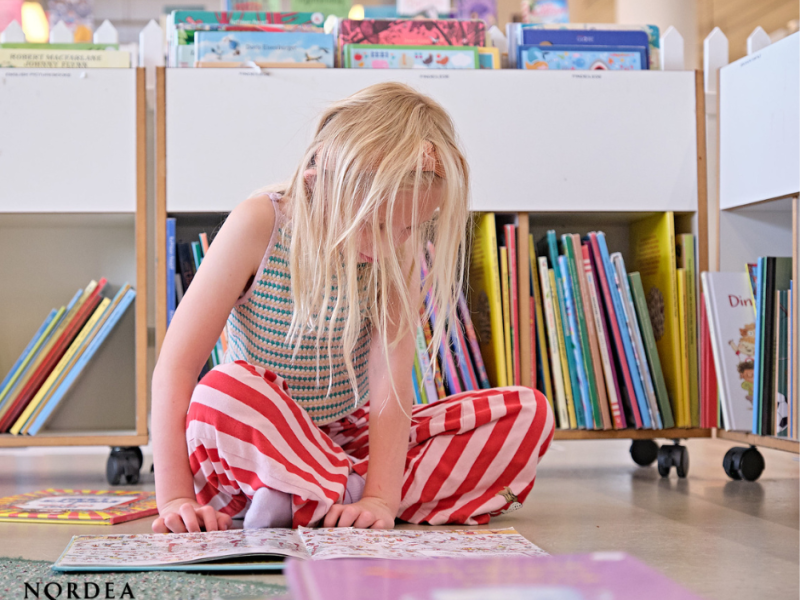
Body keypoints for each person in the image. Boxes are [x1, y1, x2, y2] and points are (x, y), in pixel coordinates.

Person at [150, 82, 554, 534]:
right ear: (319, 182)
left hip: (342, 438)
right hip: (252, 445)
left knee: (528, 412)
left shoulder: (396, 253)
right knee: (220, 391)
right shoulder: (259, 224)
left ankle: (319, 496)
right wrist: (177, 500)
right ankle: (328, 492)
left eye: (412, 227)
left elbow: (390, 386)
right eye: (377, 224)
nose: (394, 242)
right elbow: (177, 367)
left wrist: (381, 496)